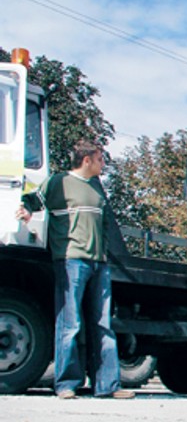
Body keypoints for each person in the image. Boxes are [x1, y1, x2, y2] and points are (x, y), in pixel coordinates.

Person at [16, 140, 134, 399]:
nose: (103, 164)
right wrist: (25, 211)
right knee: (70, 323)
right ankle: (67, 384)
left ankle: (108, 386)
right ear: (87, 160)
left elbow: (103, 227)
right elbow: (32, 199)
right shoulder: (58, 182)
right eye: (100, 159)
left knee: (103, 324)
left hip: (99, 264)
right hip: (70, 261)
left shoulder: (96, 189)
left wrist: (104, 257)